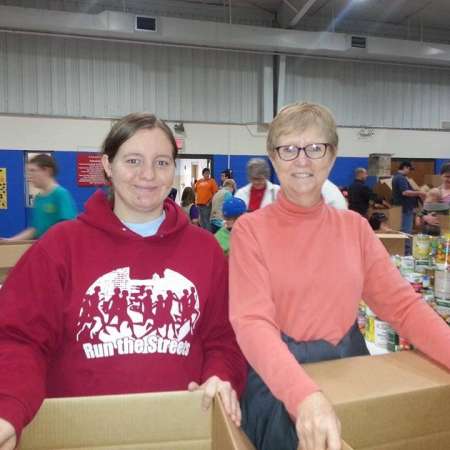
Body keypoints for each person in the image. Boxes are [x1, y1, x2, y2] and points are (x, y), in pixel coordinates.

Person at [0, 113, 246, 449]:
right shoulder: (60, 247)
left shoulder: (204, 250)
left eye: (161, 162)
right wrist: (8, 408)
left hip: (181, 433)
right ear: (108, 165)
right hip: (80, 436)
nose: (147, 174)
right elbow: (17, 338)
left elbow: (224, 339)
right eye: (133, 160)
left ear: (173, 170)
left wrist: (221, 377)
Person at [229, 102, 450, 450]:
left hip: (347, 365)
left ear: (332, 157)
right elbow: (252, 322)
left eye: (315, 148)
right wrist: (304, 397)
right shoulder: (250, 231)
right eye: (289, 149)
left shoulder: (355, 228)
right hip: (279, 379)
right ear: (273, 157)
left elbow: (403, 307)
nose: (302, 160)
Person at [3, 154, 77, 241]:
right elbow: (34, 230)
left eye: (33, 170)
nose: (29, 176)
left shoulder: (61, 194)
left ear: (47, 171)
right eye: (28, 172)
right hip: (44, 248)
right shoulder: (38, 198)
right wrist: (10, 241)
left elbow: (68, 227)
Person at [392, 161, 426, 253]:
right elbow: (405, 192)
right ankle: (407, 254)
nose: (410, 171)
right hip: (405, 209)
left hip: (401, 208)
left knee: (403, 231)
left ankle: (403, 252)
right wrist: (420, 192)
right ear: (405, 167)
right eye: (409, 169)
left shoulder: (396, 177)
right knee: (406, 232)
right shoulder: (401, 178)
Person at [417, 163, 450, 235]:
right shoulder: (434, 193)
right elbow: (419, 219)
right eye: (447, 176)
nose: (449, 179)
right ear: (441, 176)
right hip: (436, 234)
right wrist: (426, 218)